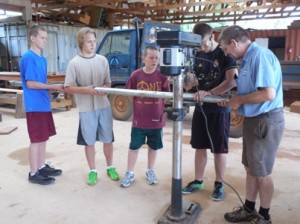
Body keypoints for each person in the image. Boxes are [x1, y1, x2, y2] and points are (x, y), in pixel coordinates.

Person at [218, 25, 285, 224]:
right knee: (251, 168)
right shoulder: (246, 60)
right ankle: (249, 209)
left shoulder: (260, 56)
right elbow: (248, 91)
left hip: (265, 120)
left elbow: (268, 94)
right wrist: (233, 98)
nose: (226, 53)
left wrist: (239, 101)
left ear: (234, 43)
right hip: (254, 120)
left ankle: (264, 217)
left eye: (226, 49)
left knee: (262, 172)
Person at [182, 23, 238, 200]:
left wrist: (211, 93)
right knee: (199, 146)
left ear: (212, 37)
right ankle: (198, 181)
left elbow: (232, 81)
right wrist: (186, 79)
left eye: (205, 44)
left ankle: (219, 184)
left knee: (219, 150)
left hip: (219, 108)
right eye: (199, 45)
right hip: (201, 106)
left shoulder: (224, 53)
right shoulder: (196, 53)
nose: (202, 48)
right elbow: (190, 83)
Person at [64, 27, 119, 186]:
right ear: (81, 42)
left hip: (104, 106)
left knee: (108, 139)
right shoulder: (74, 63)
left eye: (94, 41)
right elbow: (68, 87)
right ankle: (93, 171)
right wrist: (85, 90)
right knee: (89, 141)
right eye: (89, 41)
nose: (93, 44)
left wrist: (105, 89)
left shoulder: (102, 60)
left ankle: (110, 167)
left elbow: (108, 82)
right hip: (86, 109)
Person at [120, 46, 170, 188]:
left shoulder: (162, 77)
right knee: (134, 146)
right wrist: (139, 104)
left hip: (156, 120)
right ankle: (130, 172)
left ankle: (150, 170)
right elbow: (130, 94)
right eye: (151, 57)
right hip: (139, 121)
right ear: (143, 58)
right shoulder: (136, 75)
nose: (154, 60)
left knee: (153, 147)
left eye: (157, 58)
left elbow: (166, 97)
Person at [20, 25, 64, 185]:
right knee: (36, 139)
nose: (45, 40)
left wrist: (49, 94)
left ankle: (41, 165)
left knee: (43, 137)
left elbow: (41, 82)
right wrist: (52, 87)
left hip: (43, 104)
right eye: (42, 38)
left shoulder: (42, 59)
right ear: (33, 38)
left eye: (46, 38)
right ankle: (33, 173)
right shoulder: (28, 57)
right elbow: (31, 83)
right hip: (34, 105)